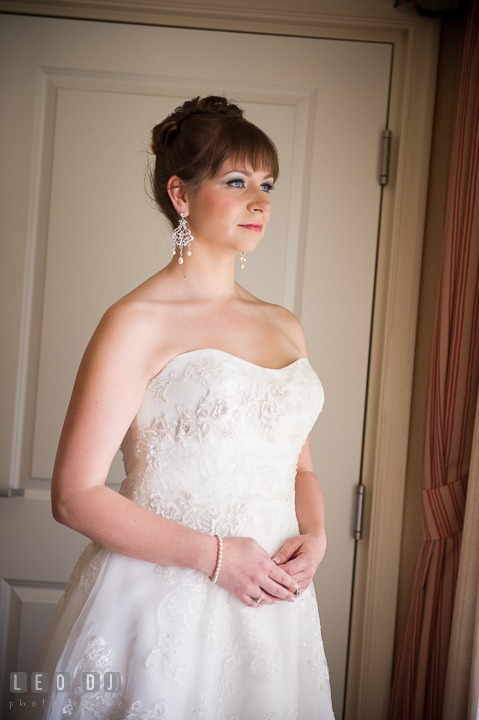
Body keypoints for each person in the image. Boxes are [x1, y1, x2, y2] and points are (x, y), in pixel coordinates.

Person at [9, 95, 335, 719]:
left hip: (273, 606)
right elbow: (74, 495)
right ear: (181, 195)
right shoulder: (135, 323)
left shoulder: (284, 325)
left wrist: (315, 535)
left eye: (267, 184)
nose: (260, 201)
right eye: (236, 182)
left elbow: (299, 470)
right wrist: (215, 558)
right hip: (164, 598)